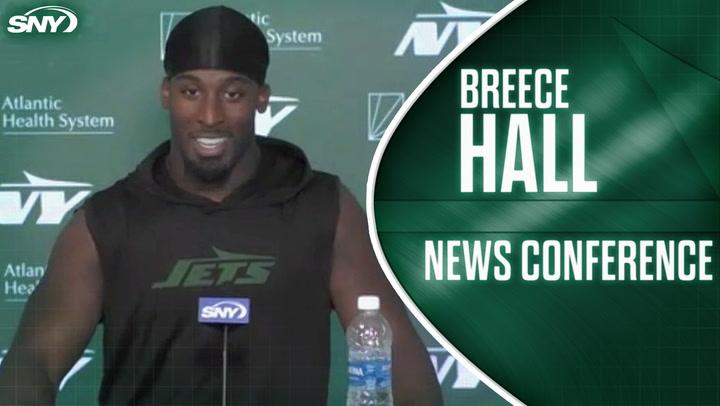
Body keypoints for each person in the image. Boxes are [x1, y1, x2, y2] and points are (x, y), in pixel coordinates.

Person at [0, 5, 442, 406]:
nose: (210, 116)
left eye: (233, 94)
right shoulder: (107, 221)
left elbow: (404, 370)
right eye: (191, 92)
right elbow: (33, 361)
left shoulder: (324, 209)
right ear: (166, 94)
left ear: (261, 98)